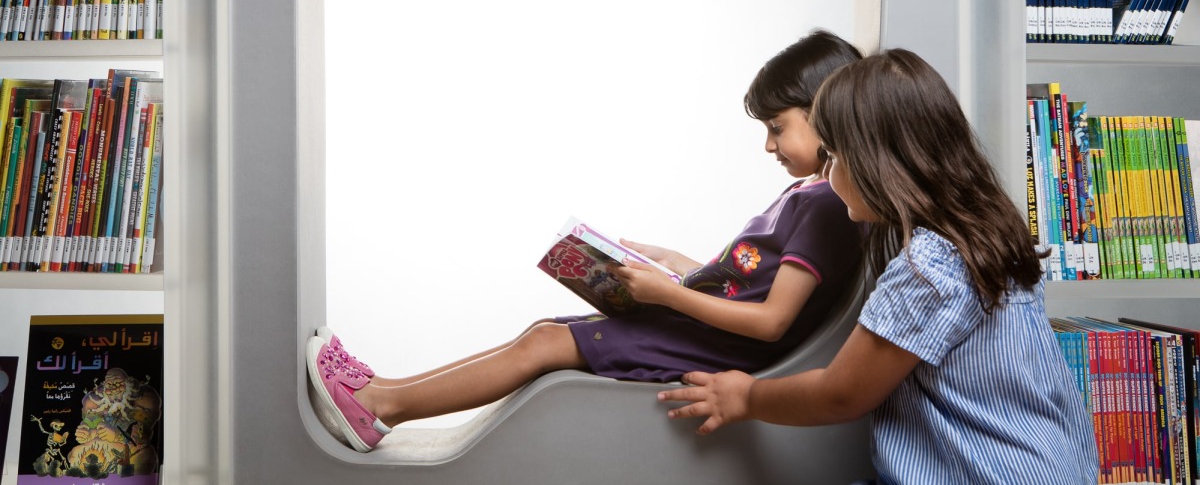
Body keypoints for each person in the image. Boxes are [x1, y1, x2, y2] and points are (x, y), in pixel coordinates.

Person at [306, 30, 866, 452]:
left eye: (777, 127)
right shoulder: (810, 193)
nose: (769, 146)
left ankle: (382, 406)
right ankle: (384, 392)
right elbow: (751, 282)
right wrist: (676, 264)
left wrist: (669, 294)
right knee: (543, 334)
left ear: (826, 111)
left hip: (718, 349)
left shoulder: (825, 206)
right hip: (706, 330)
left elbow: (771, 321)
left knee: (544, 345)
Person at [659, 49, 1101, 485]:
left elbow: (841, 394)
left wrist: (747, 396)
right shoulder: (989, 235)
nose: (827, 174)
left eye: (833, 156)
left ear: (876, 161)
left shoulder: (928, 268)